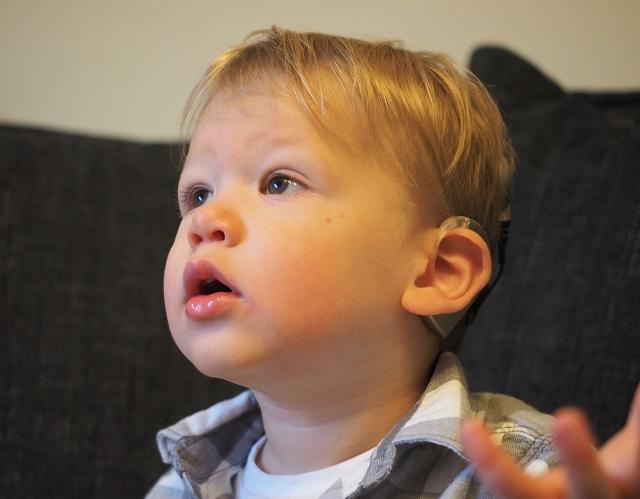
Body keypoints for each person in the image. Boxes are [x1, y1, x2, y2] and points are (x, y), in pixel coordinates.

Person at [146, 27, 639, 498]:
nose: (205, 220)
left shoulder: (524, 472)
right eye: (198, 193)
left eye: (279, 182)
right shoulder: (185, 478)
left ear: (439, 270)